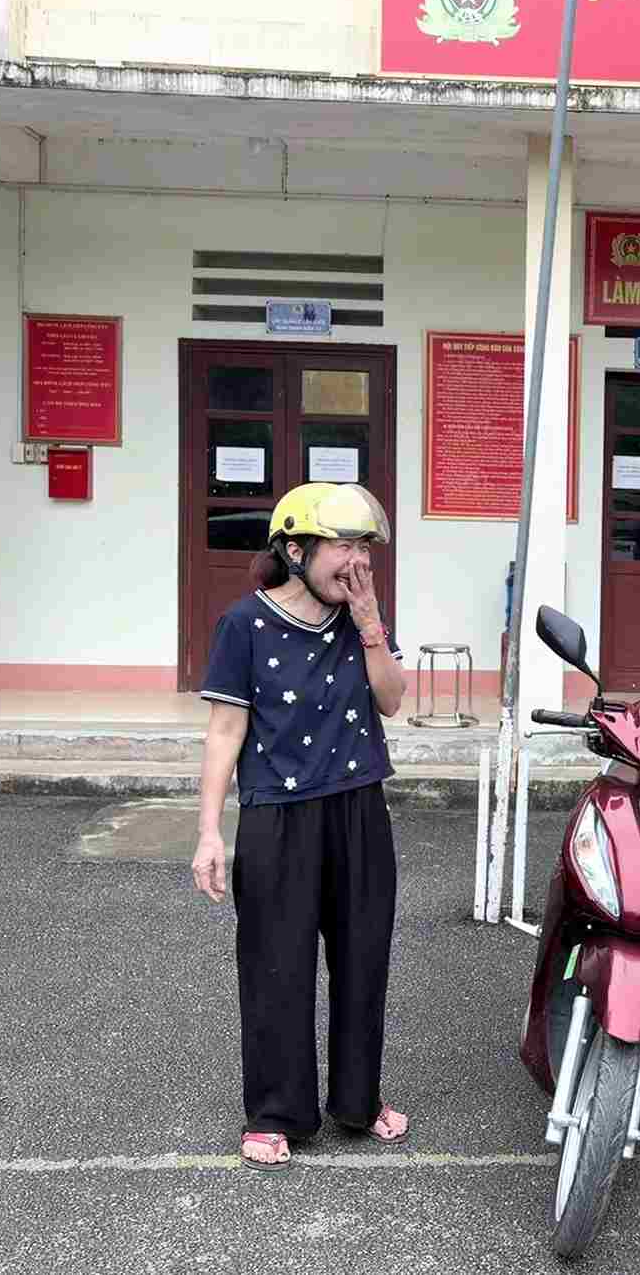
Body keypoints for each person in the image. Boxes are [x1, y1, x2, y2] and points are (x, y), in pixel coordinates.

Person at [189, 482, 410, 1171]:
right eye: (342, 546)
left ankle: (357, 1100)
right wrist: (207, 831)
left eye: (363, 548)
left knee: (361, 958)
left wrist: (371, 619)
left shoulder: (360, 620)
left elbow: (393, 703)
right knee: (275, 967)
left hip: (358, 807)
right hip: (277, 817)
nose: (355, 562)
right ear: (293, 550)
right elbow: (225, 732)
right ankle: (277, 1111)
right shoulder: (243, 625)